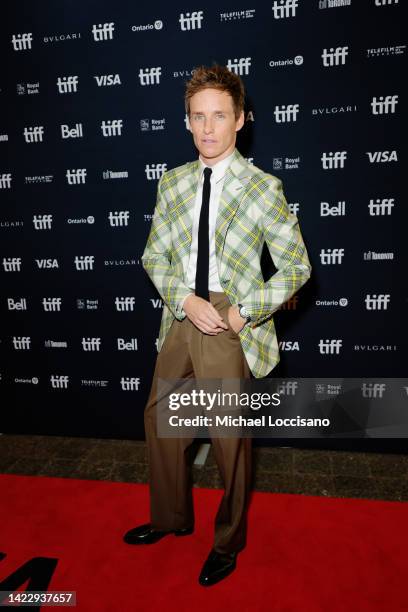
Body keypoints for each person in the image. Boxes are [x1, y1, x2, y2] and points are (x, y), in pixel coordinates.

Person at [123, 64, 312, 586]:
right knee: (161, 422)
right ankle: (170, 519)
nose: (208, 128)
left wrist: (239, 311)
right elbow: (153, 255)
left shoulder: (263, 187)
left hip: (231, 320)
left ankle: (227, 540)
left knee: (230, 441)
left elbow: (297, 266)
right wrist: (183, 297)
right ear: (187, 122)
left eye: (219, 116)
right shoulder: (174, 182)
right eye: (198, 117)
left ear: (241, 120)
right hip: (180, 315)